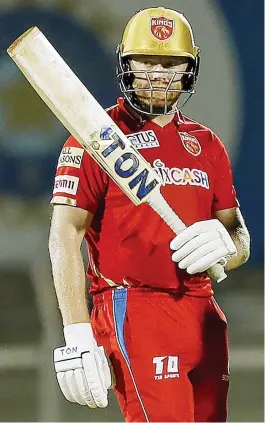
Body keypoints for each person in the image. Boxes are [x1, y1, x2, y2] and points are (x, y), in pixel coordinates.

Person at [49, 6, 250, 423]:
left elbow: (238, 235)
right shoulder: (94, 138)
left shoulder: (207, 143)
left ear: (188, 70)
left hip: (204, 308)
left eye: (170, 63)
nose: (159, 74)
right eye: (146, 61)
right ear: (126, 64)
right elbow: (64, 235)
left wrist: (228, 245)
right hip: (135, 306)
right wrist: (76, 329)